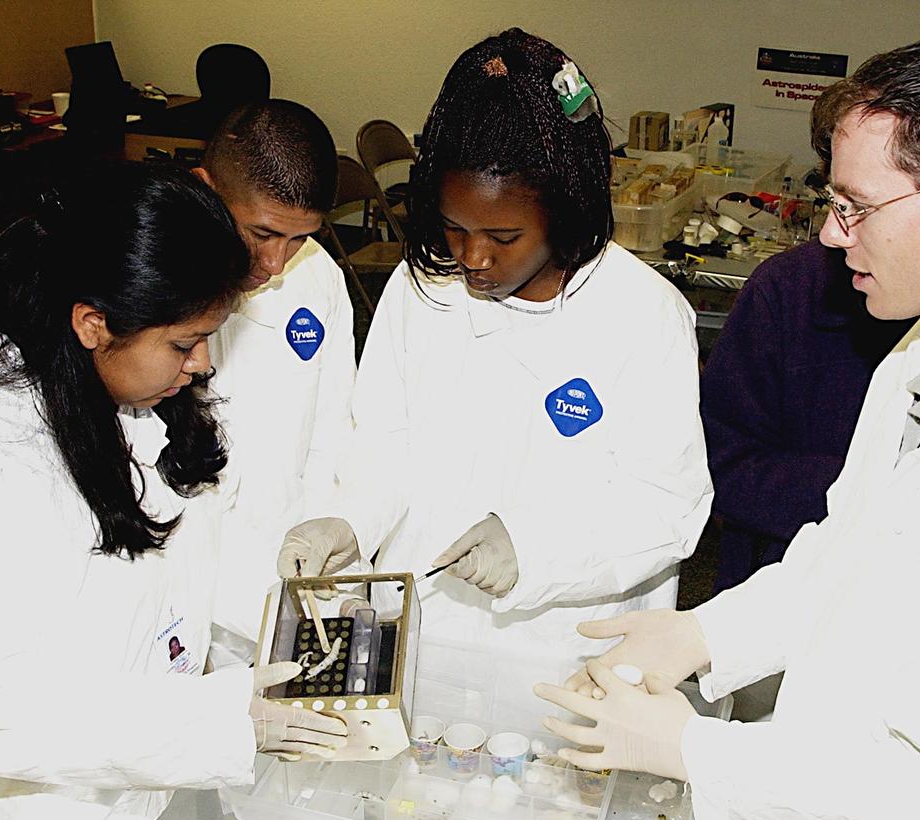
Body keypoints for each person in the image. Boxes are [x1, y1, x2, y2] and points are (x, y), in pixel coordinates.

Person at [538, 32, 920, 820]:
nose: (829, 233)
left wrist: (692, 748)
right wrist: (703, 632)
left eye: (856, 206)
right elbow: (845, 555)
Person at [0, 163, 345, 820]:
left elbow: (176, 551)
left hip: (127, 789)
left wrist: (298, 606)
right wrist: (219, 720)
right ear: (93, 322)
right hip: (4, 817)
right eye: (185, 343)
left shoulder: (122, 393)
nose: (204, 363)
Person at [277, 29, 712, 701]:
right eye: (454, 227)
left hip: (566, 653)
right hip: (421, 636)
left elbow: (668, 505)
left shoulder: (641, 315)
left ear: (564, 211)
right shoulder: (424, 290)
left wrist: (531, 547)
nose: (473, 258)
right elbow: (385, 443)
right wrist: (350, 521)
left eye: (504, 236)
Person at [192, 100, 356, 667]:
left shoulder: (319, 277)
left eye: (298, 238)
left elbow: (332, 433)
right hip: (191, 599)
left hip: (288, 579)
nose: (276, 262)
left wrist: (323, 557)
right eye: (261, 232)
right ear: (207, 190)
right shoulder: (155, 288)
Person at [701, 239, 914, 594]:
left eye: (860, 210)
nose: (832, 232)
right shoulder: (789, 288)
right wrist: (867, 492)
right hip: (778, 584)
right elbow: (720, 463)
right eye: (837, 209)